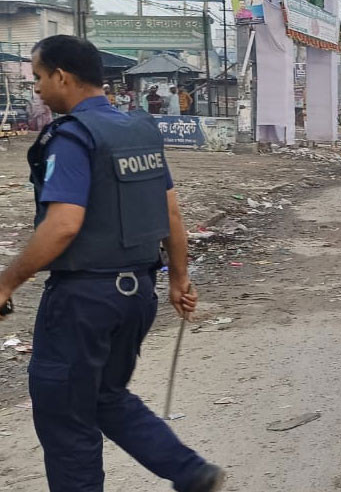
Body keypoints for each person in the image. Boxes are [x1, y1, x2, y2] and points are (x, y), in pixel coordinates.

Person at [0, 35, 224, 491]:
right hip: (137, 295)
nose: (38, 88)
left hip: (84, 298)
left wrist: (7, 281)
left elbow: (63, 224)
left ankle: (188, 472)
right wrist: (179, 279)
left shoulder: (72, 137)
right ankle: (190, 471)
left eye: (40, 78)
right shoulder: (140, 130)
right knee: (104, 395)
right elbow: (172, 213)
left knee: (64, 413)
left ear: (62, 76)